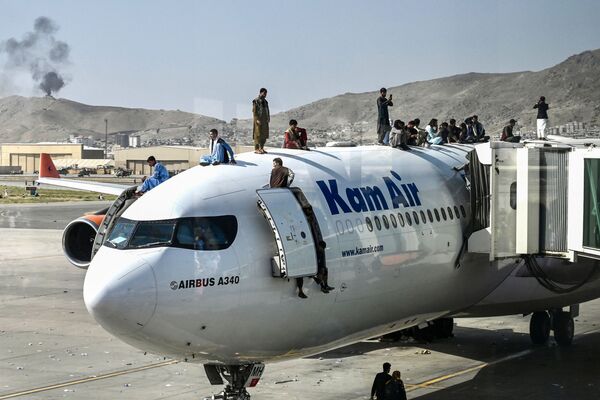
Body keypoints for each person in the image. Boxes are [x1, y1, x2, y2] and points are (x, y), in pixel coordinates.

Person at [269, 158, 305, 298]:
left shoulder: (274, 171)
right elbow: (292, 174)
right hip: (283, 191)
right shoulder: (285, 170)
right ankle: (301, 289)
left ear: (277, 163)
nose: (273, 165)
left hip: (274, 192)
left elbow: (272, 180)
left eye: (274, 163)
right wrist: (287, 184)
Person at [253, 88, 270, 154]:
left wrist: (268, 118)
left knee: (264, 134)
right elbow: (254, 111)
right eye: (264, 93)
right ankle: (257, 149)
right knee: (258, 134)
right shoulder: (256, 100)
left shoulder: (265, 102)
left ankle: (261, 148)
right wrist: (257, 119)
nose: (265, 95)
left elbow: (267, 110)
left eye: (266, 93)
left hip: (265, 120)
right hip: (258, 120)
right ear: (261, 92)